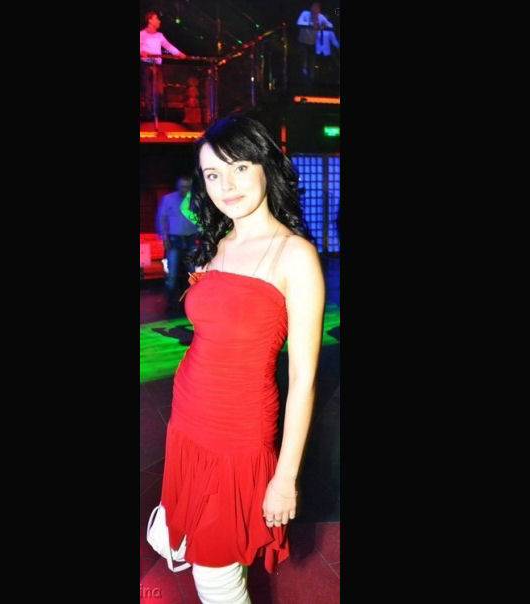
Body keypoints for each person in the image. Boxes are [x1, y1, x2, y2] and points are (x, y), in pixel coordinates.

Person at [158, 115, 325, 602]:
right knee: (178, 530)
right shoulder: (218, 243)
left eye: (239, 167)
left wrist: (285, 478)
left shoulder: (294, 255)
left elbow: (304, 380)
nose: (225, 186)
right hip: (187, 419)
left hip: (238, 432)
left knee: (217, 580)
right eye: (213, 174)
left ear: (266, 166)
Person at [155, 175, 198, 310]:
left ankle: (195, 302)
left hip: (191, 239)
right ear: (177, 186)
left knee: (194, 273)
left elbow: (200, 219)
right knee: (172, 274)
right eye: (182, 187)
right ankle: (170, 304)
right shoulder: (168, 199)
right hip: (174, 240)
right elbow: (161, 219)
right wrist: (164, 238)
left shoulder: (195, 199)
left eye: (187, 187)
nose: (184, 189)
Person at [140, 12, 187, 120]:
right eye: (156, 18)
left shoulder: (159, 35)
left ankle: (156, 113)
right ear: (150, 20)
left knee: (159, 92)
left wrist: (179, 53)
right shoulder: (141, 34)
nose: (159, 21)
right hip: (145, 65)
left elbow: (168, 46)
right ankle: (148, 115)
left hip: (157, 65)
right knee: (147, 91)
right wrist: (141, 52)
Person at [296, 2, 334, 85]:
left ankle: (311, 81)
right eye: (314, 7)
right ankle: (303, 80)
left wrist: (324, 25)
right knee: (304, 63)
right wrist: (311, 24)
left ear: (319, 10)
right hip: (303, 42)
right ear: (311, 8)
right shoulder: (305, 14)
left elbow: (330, 25)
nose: (315, 10)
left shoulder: (320, 17)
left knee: (312, 63)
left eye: (317, 8)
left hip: (313, 43)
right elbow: (299, 22)